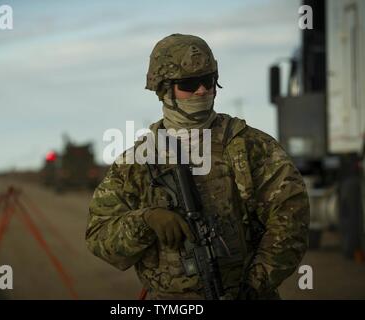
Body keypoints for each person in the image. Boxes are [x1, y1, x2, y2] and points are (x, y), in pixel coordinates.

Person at [85, 33, 310, 300]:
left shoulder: (251, 146)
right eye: (189, 84)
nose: (202, 90)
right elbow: (99, 237)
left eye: (208, 81)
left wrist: (253, 286)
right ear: (163, 89)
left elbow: (291, 217)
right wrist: (146, 221)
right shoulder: (137, 161)